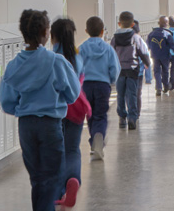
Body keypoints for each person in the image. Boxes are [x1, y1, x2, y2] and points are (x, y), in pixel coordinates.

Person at [0, 9, 80, 211]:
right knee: (52, 179)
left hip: (26, 126)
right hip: (50, 125)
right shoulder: (56, 62)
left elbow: (7, 102)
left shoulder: (13, 66)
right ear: (46, 32)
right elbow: (72, 94)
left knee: (37, 178)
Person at [50, 17, 90, 208]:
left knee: (57, 151)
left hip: (55, 110)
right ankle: (73, 179)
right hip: (75, 108)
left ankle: (58, 192)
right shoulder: (77, 58)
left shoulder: (50, 58)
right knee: (72, 149)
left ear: (52, 37)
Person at [78, 16, 119, 160]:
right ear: (102, 32)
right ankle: (99, 137)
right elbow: (114, 68)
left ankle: (93, 140)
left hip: (86, 86)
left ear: (86, 31)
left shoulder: (82, 48)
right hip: (103, 85)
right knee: (100, 114)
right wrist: (112, 80)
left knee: (90, 114)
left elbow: (77, 68)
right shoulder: (108, 49)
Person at [110, 12, 151, 130]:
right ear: (133, 24)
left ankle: (122, 118)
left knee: (120, 94)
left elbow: (111, 53)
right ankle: (132, 118)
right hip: (132, 70)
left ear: (119, 23)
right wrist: (147, 63)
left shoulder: (114, 38)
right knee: (132, 94)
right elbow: (142, 52)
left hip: (120, 71)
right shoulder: (135, 37)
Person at [147, 16, 174, 95]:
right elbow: (172, 45)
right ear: (167, 24)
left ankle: (158, 88)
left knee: (156, 71)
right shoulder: (167, 34)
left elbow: (148, 45)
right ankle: (166, 85)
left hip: (155, 56)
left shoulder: (151, 34)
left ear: (158, 23)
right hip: (165, 56)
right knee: (165, 71)